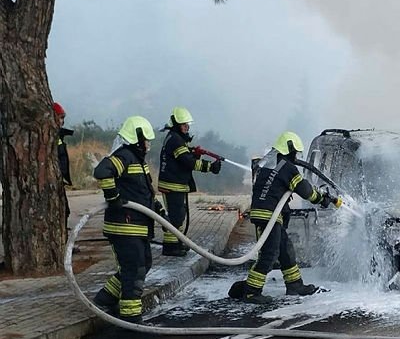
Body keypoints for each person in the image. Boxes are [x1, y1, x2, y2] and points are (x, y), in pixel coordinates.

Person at [229, 131, 340, 304]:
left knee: (285, 249)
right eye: (296, 152)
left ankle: (295, 284)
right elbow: (305, 190)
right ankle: (251, 292)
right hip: (270, 216)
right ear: (289, 149)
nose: (297, 156)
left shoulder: (269, 166)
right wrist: (321, 199)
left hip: (267, 214)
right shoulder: (287, 168)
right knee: (269, 253)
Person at [92, 116, 166, 323]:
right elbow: (101, 171)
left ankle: (106, 297)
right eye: (146, 141)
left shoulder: (138, 161)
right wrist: (113, 197)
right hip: (124, 226)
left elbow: (145, 193)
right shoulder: (123, 156)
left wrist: (159, 211)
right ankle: (131, 317)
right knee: (134, 269)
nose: (148, 145)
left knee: (142, 264)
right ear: (137, 138)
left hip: (137, 225)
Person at [158, 106, 221, 256]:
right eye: (184, 124)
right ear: (176, 125)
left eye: (188, 124)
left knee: (179, 215)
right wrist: (210, 167)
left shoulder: (176, 138)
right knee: (175, 216)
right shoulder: (176, 140)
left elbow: (185, 156)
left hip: (176, 184)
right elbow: (187, 162)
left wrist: (194, 152)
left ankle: (176, 242)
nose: (187, 127)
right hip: (172, 185)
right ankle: (170, 247)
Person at [53, 102, 74, 233]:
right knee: (60, 211)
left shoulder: (57, 135)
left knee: (64, 211)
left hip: (59, 180)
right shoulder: (50, 136)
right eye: (60, 118)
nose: (62, 122)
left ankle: (63, 239)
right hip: (54, 181)